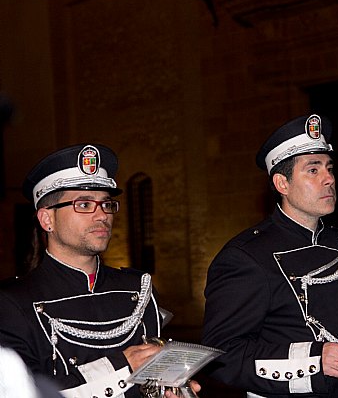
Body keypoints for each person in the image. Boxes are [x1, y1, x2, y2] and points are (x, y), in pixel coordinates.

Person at [202, 114, 338, 397]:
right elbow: (222, 356)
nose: (329, 179)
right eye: (313, 170)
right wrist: (314, 360)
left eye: (329, 168)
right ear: (282, 184)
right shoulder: (245, 257)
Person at [0, 144, 200, 398]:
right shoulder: (12, 303)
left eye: (106, 205)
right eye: (84, 205)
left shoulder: (138, 287)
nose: (101, 215)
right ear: (46, 219)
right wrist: (121, 365)